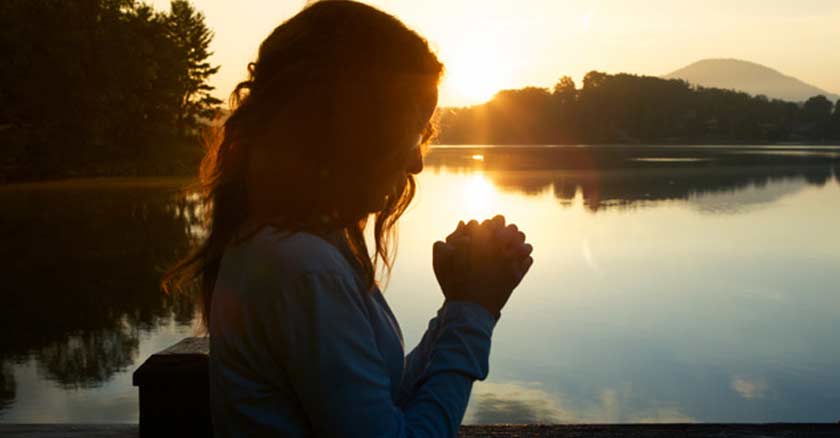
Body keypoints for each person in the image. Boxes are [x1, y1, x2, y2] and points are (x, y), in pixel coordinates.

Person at [162, 1, 534, 436]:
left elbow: (379, 402)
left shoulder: (297, 244)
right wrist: (475, 313)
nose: (416, 162)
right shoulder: (302, 268)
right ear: (357, 128)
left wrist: (457, 307)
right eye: (413, 131)